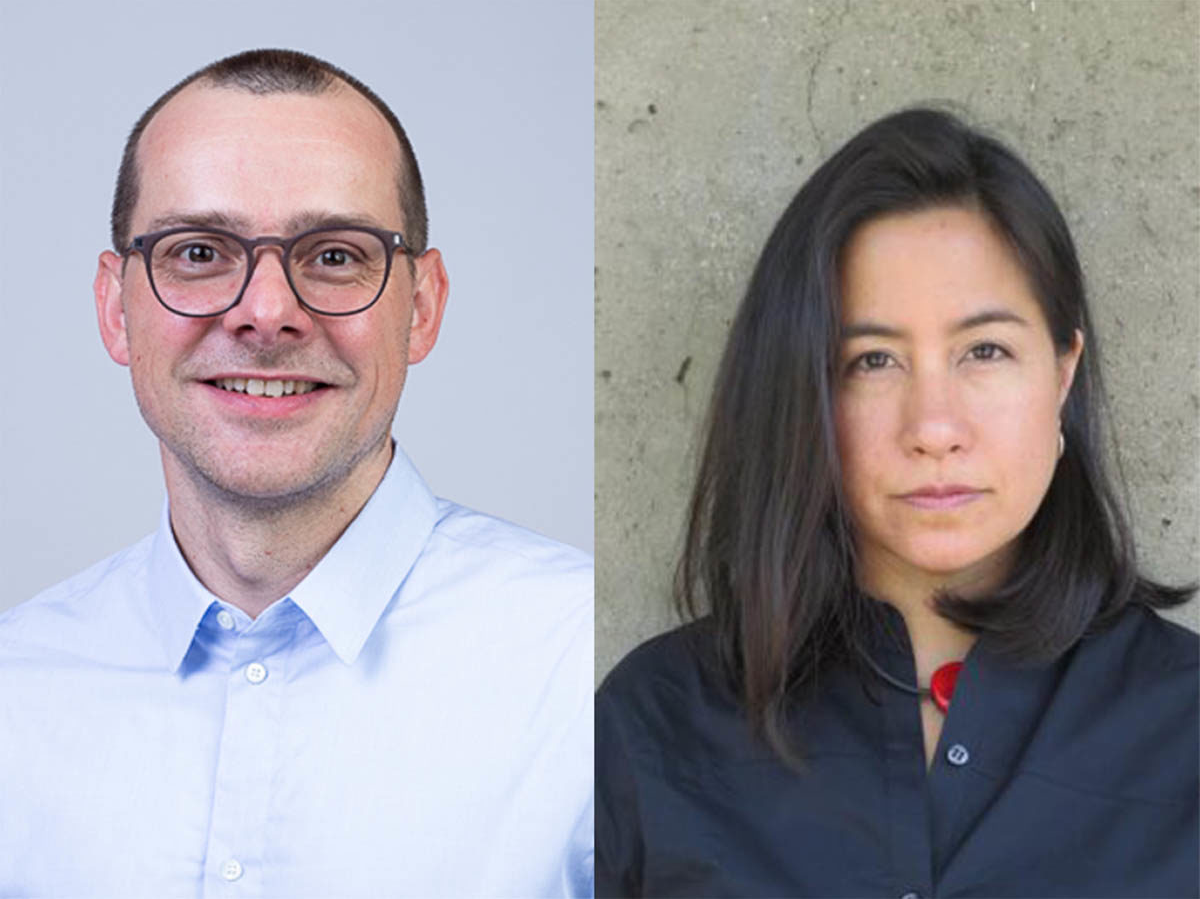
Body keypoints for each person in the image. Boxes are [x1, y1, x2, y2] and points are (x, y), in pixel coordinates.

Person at [0, 49, 592, 898]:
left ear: (421, 307)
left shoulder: (580, 676)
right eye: (198, 251)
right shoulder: (13, 700)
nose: (267, 313)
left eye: (335, 256)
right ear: (114, 308)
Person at [595, 108, 1197, 898]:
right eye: (873, 360)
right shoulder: (650, 726)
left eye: (984, 351)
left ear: (1062, 373)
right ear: (802, 391)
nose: (934, 428)